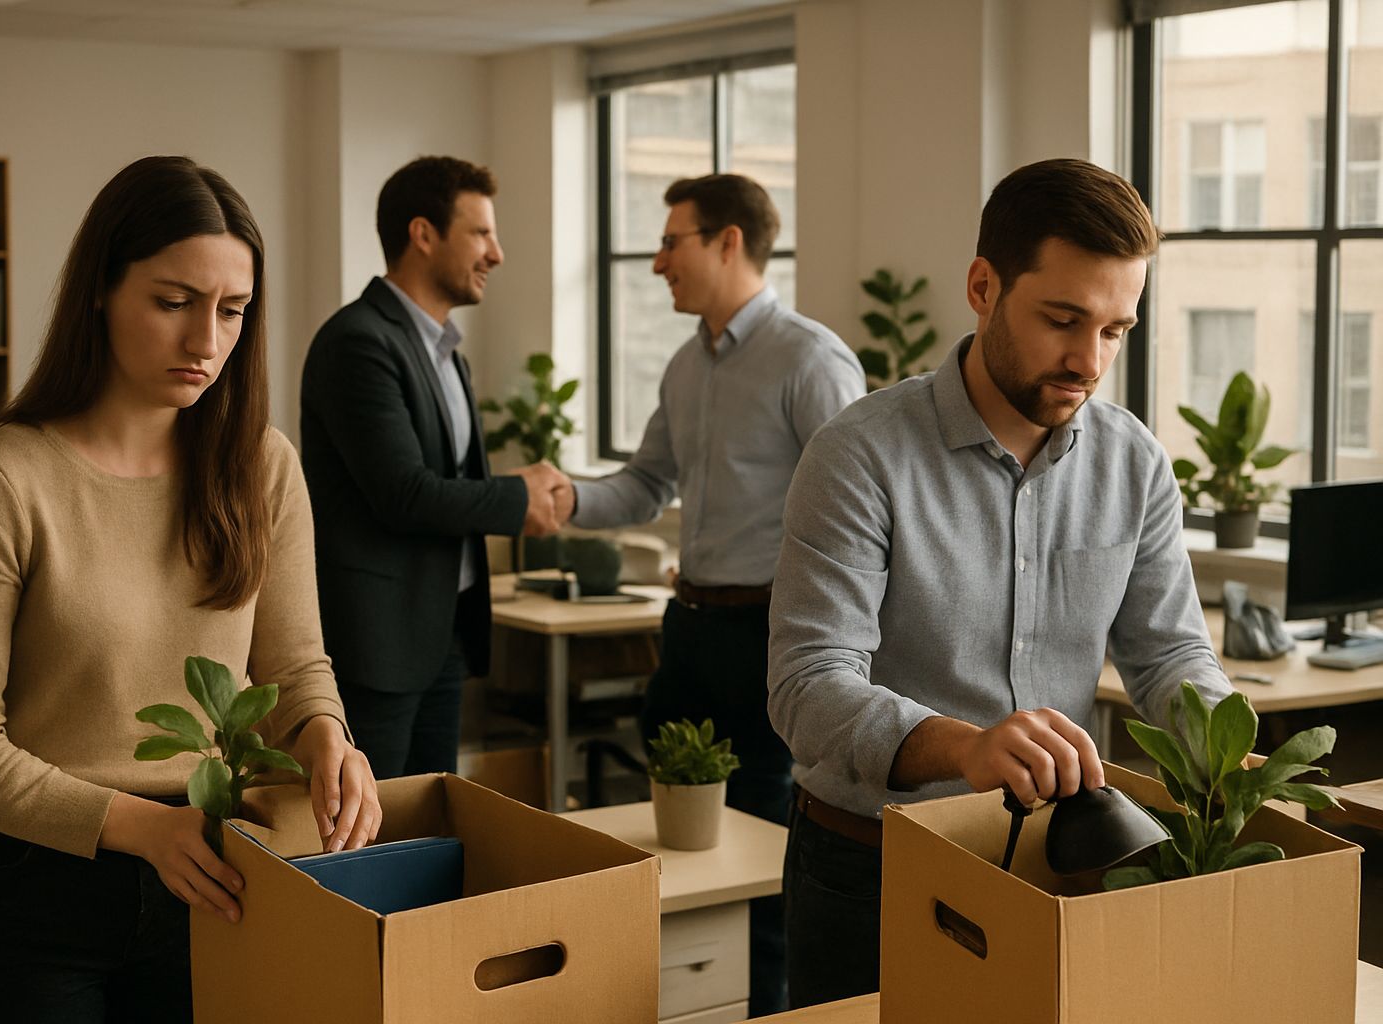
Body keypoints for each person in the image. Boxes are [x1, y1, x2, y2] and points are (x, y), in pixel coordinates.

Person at [0, 155, 381, 1022]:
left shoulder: (260, 464)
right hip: (33, 891)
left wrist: (323, 738)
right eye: (173, 303)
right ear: (100, 291)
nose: (206, 341)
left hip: (214, 874)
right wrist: (138, 825)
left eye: (231, 311)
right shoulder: (5, 476)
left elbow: (293, 662)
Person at [767, 158, 1236, 1007]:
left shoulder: (1133, 464)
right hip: (871, 866)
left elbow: (1168, 658)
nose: (1088, 361)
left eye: (1115, 330)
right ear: (983, 287)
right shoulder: (858, 456)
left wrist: (1234, 760)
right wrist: (966, 745)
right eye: (1063, 319)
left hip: (1053, 861)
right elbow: (807, 687)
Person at [569, 172, 865, 1016]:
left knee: (764, 838)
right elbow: (643, 485)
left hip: (771, 633)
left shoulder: (809, 359)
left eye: (673, 240)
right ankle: (671, 996)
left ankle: (764, 1008)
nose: (659, 260)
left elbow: (864, 505)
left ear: (728, 241)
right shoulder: (684, 365)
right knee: (673, 831)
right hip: (691, 624)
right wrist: (558, 497)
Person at [301, 155, 571, 780]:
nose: (496, 253)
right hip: (378, 647)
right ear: (423, 235)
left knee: (433, 825)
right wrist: (517, 497)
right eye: (481, 233)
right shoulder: (358, 341)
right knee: (365, 841)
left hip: (443, 635)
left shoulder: (447, 350)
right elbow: (402, 492)